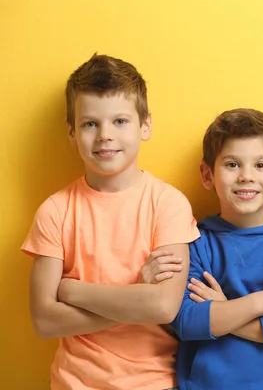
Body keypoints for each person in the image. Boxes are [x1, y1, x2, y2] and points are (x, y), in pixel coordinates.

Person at [21, 53, 199, 390]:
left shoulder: (168, 204)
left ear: (145, 125)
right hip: (73, 383)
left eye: (120, 121)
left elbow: (162, 306)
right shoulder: (55, 211)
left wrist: (73, 291)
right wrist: (136, 296)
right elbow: (44, 321)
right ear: (72, 132)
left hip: (153, 383)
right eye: (91, 124)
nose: (105, 135)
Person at [168, 108, 263, 389]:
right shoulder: (195, 244)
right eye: (232, 165)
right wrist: (258, 303)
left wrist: (223, 311)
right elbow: (184, 321)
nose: (246, 176)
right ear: (207, 174)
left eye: (260, 165)